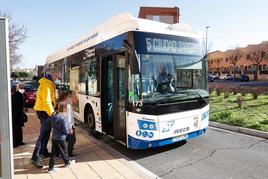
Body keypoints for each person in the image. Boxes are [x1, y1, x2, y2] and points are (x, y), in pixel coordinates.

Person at [31, 71, 62, 168]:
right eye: (58, 78)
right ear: (53, 75)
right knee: (43, 134)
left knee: (46, 133)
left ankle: (43, 152)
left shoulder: (49, 83)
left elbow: (51, 99)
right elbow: (47, 101)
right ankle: (35, 158)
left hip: (44, 111)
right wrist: (52, 113)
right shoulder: (47, 85)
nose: (58, 80)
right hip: (44, 111)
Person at [58, 93, 76, 158]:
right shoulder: (66, 105)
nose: (72, 99)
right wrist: (70, 128)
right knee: (72, 140)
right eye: (70, 98)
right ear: (67, 98)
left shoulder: (62, 104)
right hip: (68, 126)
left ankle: (61, 153)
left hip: (64, 126)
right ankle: (69, 153)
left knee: (65, 140)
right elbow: (67, 117)